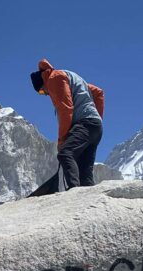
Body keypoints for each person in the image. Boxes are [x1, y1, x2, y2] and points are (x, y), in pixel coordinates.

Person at [30, 58, 105, 190]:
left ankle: (73, 192)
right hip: (95, 127)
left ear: (42, 82)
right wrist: (97, 117)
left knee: (65, 153)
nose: (45, 94)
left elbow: (65, 109)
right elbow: (98, 92)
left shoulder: (54, 78)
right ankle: (87, 199)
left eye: (41, 91)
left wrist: (61, 140)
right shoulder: (72, 77)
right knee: (84, 168)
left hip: (84, 123)